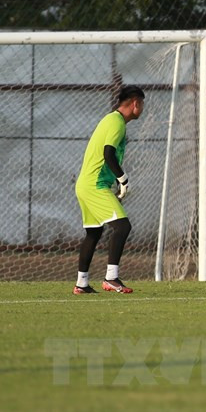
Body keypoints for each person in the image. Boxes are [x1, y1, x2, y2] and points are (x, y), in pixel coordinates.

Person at [73, 85, 145, 295]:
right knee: (123, 227)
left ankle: (81, 284)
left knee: (94, 233)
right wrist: (123, 180)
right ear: (135, 103)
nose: (142, 108)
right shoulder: (117, 123)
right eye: (142, 104)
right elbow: (108, 154)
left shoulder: (110, 119)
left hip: (85, 185)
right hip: (95, 186)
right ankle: (111, 278)